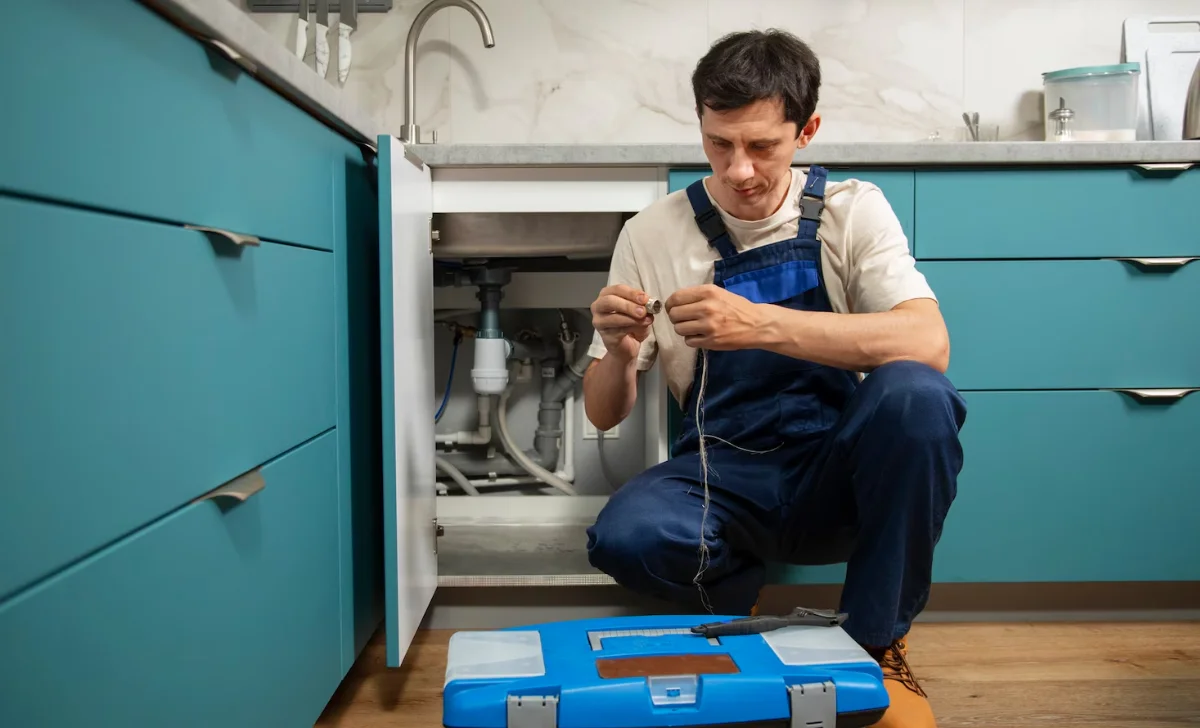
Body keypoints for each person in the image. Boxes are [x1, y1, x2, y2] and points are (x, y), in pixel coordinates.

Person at [581, 28, 967, 728]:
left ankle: (876, 646)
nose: (739, 171)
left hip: (836, 473)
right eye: (719, 144)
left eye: (762, 146)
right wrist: (616, 352)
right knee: (625, 535)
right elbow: (604, 415)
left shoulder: (852, 210)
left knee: (916, 395)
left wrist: (757, 325)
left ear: (807, 130)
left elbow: (928, 343)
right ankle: (737, 622)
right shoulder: (652, 232)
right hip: (720, 475)